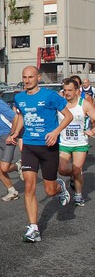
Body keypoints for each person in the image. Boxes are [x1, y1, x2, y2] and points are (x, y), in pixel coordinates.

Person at [7, 66, 73, 243]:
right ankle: (33, 228)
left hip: (48, 146)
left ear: (38, 78)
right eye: (24, 77)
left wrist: (56, 132)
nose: (27, 80)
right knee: (29, 185)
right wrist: (15, 133)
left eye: (30, 77)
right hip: (29, 146)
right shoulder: (19, 97)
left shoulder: (50, 96)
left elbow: (68, 116)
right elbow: (21, 117)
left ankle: (59, 187)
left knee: (49, 191)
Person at [57, 78, 95, 206]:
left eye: (70, 90)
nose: (67, 93)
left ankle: (78, 195)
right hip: (64, 143)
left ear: (77, 91)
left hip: (80, 143)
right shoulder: (60, 104)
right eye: (65, 90)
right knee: (62, 170)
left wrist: (92, 131)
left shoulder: (84, 104)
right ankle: (73, 175)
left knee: (77, 168)